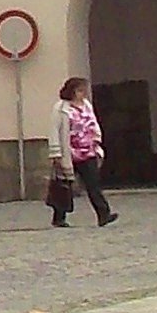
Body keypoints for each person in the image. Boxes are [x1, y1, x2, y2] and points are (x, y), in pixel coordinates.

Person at [49, 76, 116, 229]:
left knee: (93, 184)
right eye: (80, 90)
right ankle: (59, 217)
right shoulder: (61, 108)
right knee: (64, 186)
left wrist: (97, 144)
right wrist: (56, 153)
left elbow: (93, 124)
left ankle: (103, 214)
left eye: (84, 90)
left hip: (87, 152)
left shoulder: (86, 105)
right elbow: (54, 130)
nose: (83, 93)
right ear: (71, 91)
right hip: (69, 153)